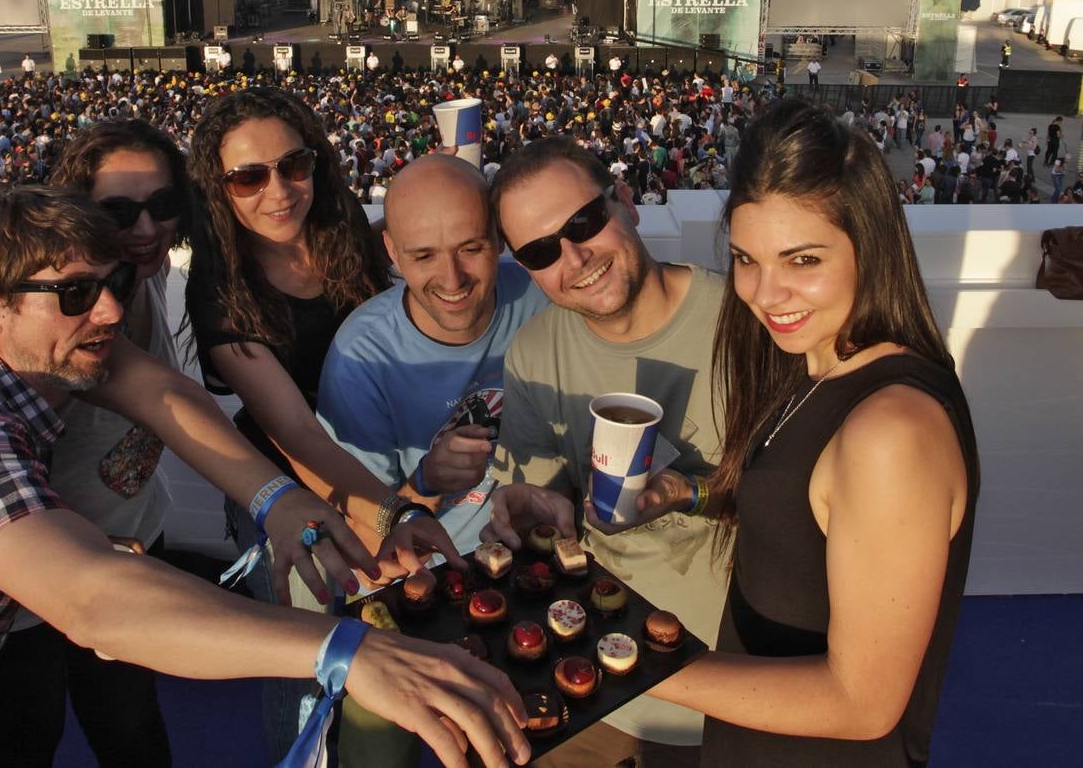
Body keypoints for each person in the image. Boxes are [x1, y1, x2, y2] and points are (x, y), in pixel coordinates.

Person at [0, 187, 531, 768]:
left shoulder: (16, 376)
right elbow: (94, 604)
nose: (112, 313)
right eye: (75, 295)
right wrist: (345, 652)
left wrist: (280, 502)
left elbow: (165, 395)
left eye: (113, 287)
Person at [498, 99, 980, 767]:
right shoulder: (809, 373)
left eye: (803, 260)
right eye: (746, 259)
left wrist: (625, 656)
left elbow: (863, 703)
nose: (765, 293)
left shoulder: (890, 429)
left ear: (869, 242)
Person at [184, 87, 465, 756]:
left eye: (295, 165)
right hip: (285, 499)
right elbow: (297, 433)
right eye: (249, 177)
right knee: (308, 671)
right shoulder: (220, 291)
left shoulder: (352, 245)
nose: (278, 190)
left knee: (398, 644)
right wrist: (392, 514)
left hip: (387, 480)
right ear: (217, 190)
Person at [482, 136, 729, 767]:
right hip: (592, 683)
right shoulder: (535, 355)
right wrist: (530, 505)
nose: (573, 256)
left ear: (626, 201)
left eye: (584, 222)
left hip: (730, 693)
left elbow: (811, 499)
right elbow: (549, 506)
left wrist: (691, 492)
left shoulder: (746, 327)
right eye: (539, 251)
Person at [315, 154, 553, 766]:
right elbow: (353, 532)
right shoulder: (361, 356)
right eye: (423, 256)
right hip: (412, 592)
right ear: (392, 252)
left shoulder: (546, 295)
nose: (452, 277)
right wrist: (421, 486)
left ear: (499, 240)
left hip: (527, 571)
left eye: (471, 248)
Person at [0, 120, 185, 767]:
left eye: (163, 205)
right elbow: (167, 403)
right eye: (119, 210)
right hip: (32, 590)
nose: (147, 227)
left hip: (131, 542)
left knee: (128, 723)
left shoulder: (138, 280)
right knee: (25, 736)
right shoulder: (64, 325)